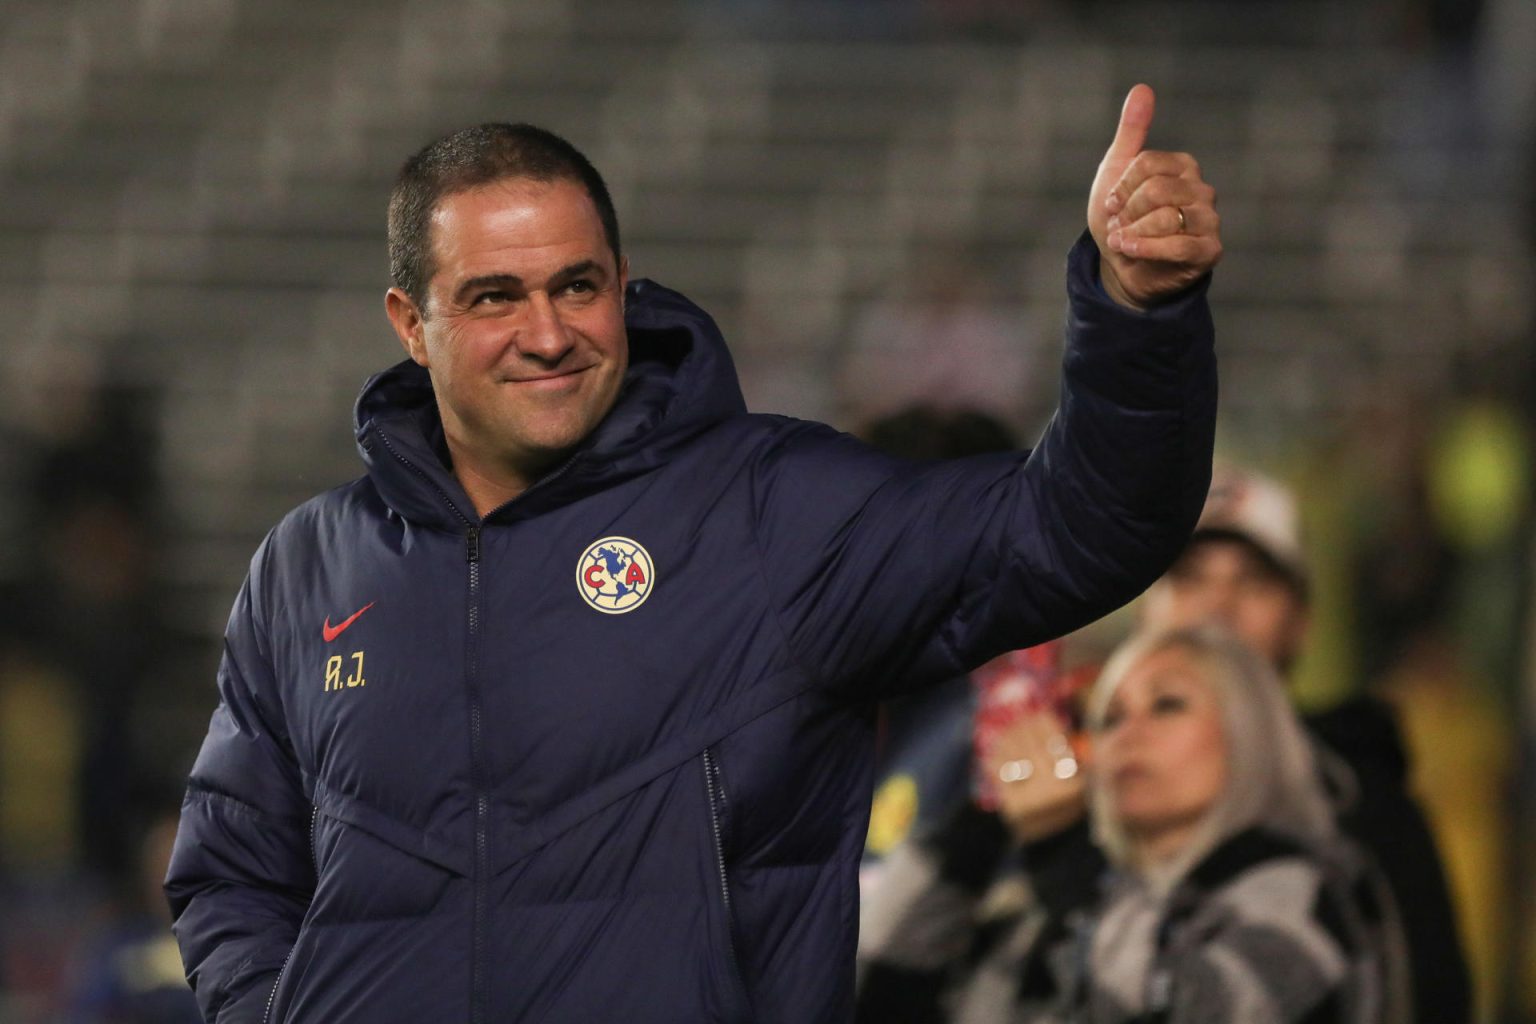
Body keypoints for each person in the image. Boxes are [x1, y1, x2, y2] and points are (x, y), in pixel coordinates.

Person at [165, 83, 1223, 1023]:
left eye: (577, 286)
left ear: (624, 285)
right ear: (410, 320)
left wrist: (1139, 313)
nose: (547, 332)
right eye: (495, 297)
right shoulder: (309, 569)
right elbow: (229, 872)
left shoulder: (773, 514)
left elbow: (1079, 529)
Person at [857, 463, 1467, 1023]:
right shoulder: (1067, 860)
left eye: (1253, 582)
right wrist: (990, 812)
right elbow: (880, 989)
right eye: (1110, 715)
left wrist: (1062, 856)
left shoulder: (1332, 853)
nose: (1217, 607)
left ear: (1300, 622)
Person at [954, 625, 1394, 1022]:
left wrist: (1063, 860)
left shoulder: (1304, 892)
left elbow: (1183, 1012)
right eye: (1109, 718)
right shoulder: (1066, 896)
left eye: (1166, 704)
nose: (1128, 734)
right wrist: (982, 817)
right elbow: (892, 980)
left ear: (1248, 730)